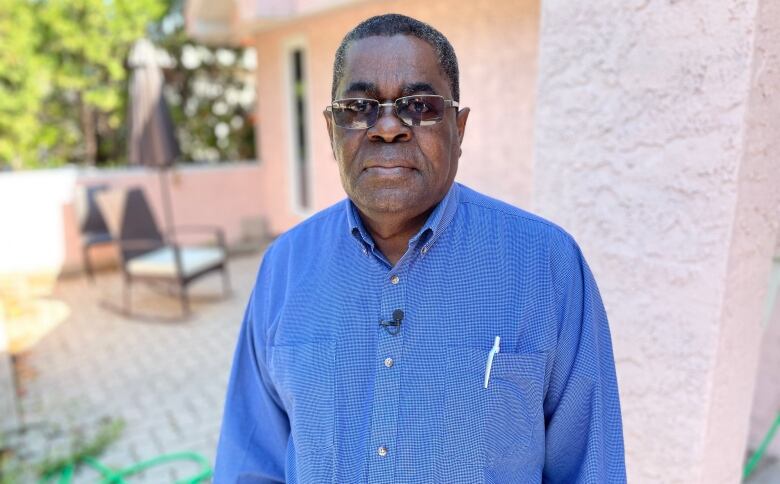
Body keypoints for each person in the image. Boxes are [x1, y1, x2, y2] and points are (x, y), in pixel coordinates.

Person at [214, 13, 625, 484]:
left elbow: (590, 468)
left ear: (460, 128)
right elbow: (251, 465)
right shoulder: (284, 269)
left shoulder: (547, 265)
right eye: (358, 107)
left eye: (420, 105)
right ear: (331, 132)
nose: (387, 127)